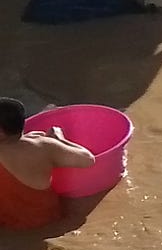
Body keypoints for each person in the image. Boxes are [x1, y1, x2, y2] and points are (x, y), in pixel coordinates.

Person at [0, 97, 96, 230]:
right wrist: (59, 140)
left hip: (6, 224)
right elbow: (88, 159)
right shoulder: (44, 147)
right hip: (43, 222)